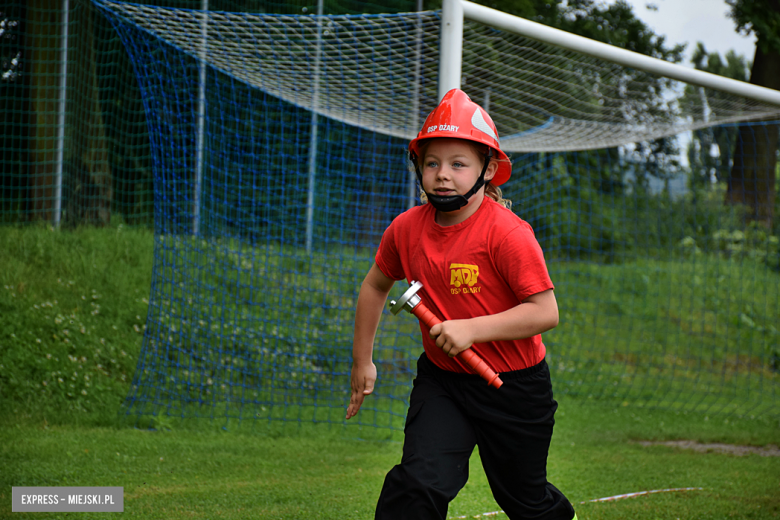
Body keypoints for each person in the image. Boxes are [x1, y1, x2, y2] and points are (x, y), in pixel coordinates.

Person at [346, 88, 576, 520]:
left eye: (457, 164)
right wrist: (363, 360)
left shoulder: (508, 234)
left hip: (514, 387)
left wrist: (471, 328)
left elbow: (545, 312)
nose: (442, 175)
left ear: (488, 168)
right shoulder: (405, 230)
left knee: (524, 501)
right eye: (431, 162)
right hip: (443, 382)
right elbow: (376, 286)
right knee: (417, 483)